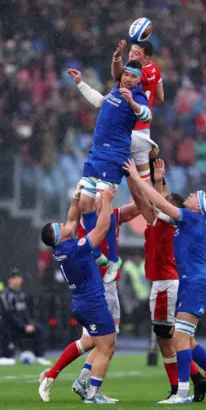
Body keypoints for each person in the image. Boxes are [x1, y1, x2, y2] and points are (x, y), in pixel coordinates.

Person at [124, 159, 206, 405]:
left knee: (178, 338)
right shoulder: (187, 220)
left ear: (199, 207)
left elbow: (163, 203)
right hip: (189, 284)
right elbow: (166, 204)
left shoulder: (193, 219)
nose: (191, 194)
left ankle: (182, 393)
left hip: (194, 284)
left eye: (196, 195)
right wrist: (159, 180)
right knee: (186, 339)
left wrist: (138, 177)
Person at [67, 61, 150, 283]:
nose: (129, 79)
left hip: (115, 156)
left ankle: (114, 259)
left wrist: (132, 101)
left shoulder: (139, 96)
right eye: (127, 75)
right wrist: (81, 84)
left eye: (134, 77)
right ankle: (97, 254)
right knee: (84, 203)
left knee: (102, 204)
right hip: (96, 154)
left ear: (138, 80)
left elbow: (146, 116)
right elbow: (100, 103)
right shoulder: (115, 89)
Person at [38, 186, 117, 404]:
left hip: (82, 303)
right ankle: (93, 394)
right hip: (92, 303)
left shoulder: (60, 248)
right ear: (59, 235)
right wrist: (107, 200)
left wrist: (75, 197)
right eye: (61, 226)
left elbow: (72, 219)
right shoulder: (75, 249)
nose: (66, 224)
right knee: (107, 346)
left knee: (90, 342)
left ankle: (53, 375)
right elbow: (101, 229)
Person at [70, 194, 141, 400]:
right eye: (99, 192)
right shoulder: (87, 222)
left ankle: (83, 381)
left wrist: (146, 181)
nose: (106, 193)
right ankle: (61, 377)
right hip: (97, 287)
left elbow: (138, 208)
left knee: (106, 341)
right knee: (99, 341)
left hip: (109, 286)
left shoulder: (114, 215)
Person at [0, 268, 51, 366]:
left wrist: (29, 324)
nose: (17, 280)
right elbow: (10, 314)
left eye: (18, 278)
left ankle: (39, 356)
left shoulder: (21, 294)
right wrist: (24, 326)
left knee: (39, 330)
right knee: (6, 358)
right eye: (14, 278)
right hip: (8, 328)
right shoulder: (6, 295)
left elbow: (25, 313)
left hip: (21, 326)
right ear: (10, 280)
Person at [111, 40, 163, 181]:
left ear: (146, 58)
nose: (131, 55)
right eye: (131, 52)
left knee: (110, 180)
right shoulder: (155, 69)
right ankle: (155, 201)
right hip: (144, 132)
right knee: (144, 185)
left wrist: (117, 57)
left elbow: (116, 76)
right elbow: (160, 97)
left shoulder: (134, 74)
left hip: (129, 130)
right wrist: (145, 105)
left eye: (136, 53)